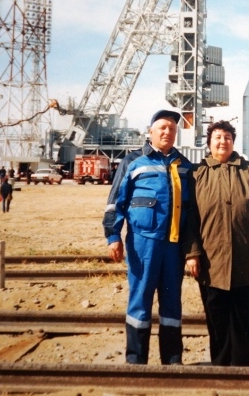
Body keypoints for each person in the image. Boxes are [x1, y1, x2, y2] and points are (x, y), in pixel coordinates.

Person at [103, 109, 200, 365]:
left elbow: (192, 211)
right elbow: (115, 202)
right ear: (151, 131)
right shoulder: (133, 161)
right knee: (140, 302)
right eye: (162, 127)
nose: (167, 132)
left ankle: (172, 361)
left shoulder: (184, 165)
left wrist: (191, 250)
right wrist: (113, 236)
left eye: (172, 128)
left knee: (172, 304)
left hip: (174, 247)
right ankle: (136, 363)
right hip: (142, 244)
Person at [192, 120, 249, 366]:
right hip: (211, 262)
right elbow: (190, 217)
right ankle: (220, 368)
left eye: (228, 137)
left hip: (246, 259)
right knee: (217, 320)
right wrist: (192, 253)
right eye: (218, 137)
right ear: (209, 143)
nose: (223, 142)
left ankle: (243, 368)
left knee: (243, 320)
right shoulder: (198, 174)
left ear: (233, 142)